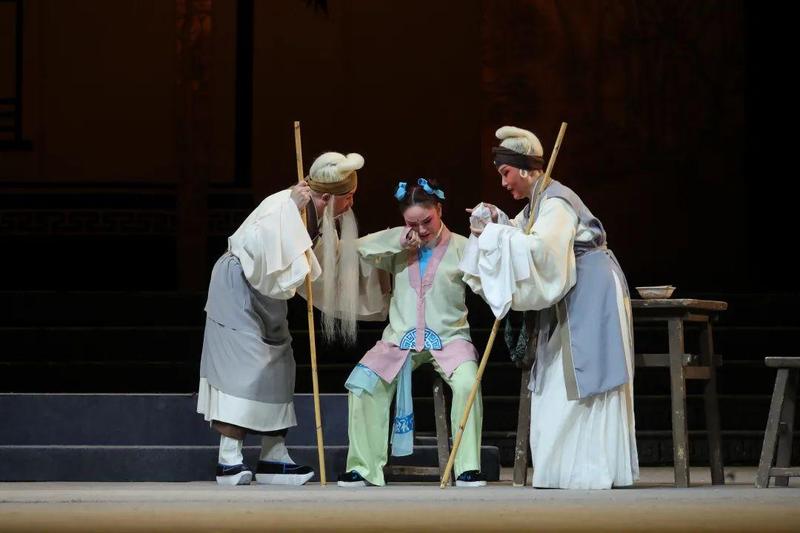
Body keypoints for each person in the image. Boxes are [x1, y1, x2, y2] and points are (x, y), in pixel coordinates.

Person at [460, 126, 639, 489]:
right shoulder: (537, 205)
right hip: (572, 296)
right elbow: (520, 234)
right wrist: (495, 223)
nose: (504, 183)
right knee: (557, 382)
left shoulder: (556, 202)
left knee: (579, 380)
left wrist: (495, 234)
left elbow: (541, 251)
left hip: (590, 291)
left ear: (526, 168)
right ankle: (565, 470)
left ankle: (588, 470)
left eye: (506, 173)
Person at [197, 151, 387, 485]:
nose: (351, 203)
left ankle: (273, 455)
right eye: (347, 197)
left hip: (269, 294)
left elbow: (325, 263)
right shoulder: (282, 206)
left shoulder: (319, 218)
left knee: (279, 365)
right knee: (242, 367)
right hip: (239, 285)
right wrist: (291, 211)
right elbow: (267, 249)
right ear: (326, 197)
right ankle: (229, 458)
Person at [337, 178, 487, 488]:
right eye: (412, 223)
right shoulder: (399, 247)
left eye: (426, 221)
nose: (421, 229)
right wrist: (397, 239)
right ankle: (364, 467)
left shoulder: (461, 247)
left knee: (467, 384)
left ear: (439, 210)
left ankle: (467, 467)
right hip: (399, 340)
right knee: (363, 384)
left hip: (449, 340)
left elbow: (486, 282)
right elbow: (358, 249)